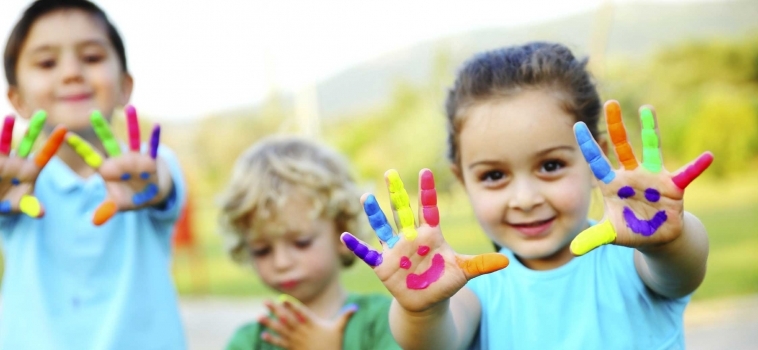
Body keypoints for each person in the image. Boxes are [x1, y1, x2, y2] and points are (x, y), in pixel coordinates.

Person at [340, 42, 714, 349]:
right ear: (462, 180)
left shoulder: (635, 263)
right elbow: (436, 342)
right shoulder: (477, 291)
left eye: (550, 166)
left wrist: (670, 238)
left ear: (594, 160)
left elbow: (682, 268)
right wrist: (421, 309)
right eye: (494, 175)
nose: (524, 198)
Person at [0, 1, 186, 349]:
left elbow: (161, 184)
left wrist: (151, 184)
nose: (71, 73)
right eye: (47, 62)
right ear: (17, 100)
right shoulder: (14, 186)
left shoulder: (151, 164)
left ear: (124, 86)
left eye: (92, 57)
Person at [219, 136, 401, 350]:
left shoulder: (388, 321)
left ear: (343, 231)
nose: (281, 262)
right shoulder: (249, 342)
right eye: (262, 250)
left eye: (301, 242)